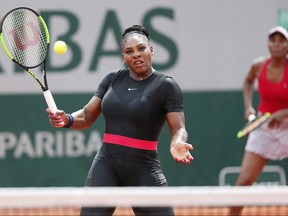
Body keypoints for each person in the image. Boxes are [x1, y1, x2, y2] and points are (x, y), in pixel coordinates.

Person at [46, 24, 194, 216]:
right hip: (106, 164)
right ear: (123, 57)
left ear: (151, 49)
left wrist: (178, 143)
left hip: (144, 168)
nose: (136, 54)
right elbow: (87, 115)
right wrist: (67, 119)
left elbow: (178, 128)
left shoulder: (166, 85)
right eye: (129, 51)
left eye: (141, 48)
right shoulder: (112, 79)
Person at [229, 26, 288, 216]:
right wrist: (248, 107)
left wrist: (284, 113)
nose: (277, 44)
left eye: (282, 41)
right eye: (273, 40)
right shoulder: (258, 65)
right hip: (263, 126)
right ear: (268, 44)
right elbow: (248, 81)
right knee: (244, 181)